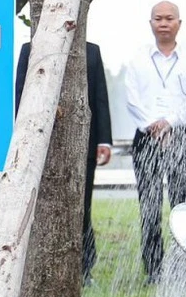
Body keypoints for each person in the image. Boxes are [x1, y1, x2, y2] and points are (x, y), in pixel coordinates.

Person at [16, 39, 114, 283]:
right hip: (42, 143)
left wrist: (104, 140)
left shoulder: (92, 50)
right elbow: (20, 95)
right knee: (44, 205)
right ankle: (43, 262)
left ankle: (84, 267)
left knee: (82, 207)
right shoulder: (31, 49)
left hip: (84, 142)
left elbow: (100, 96)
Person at [124, 2, 186, 284]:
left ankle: (183, 268)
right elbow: (132, 99)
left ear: (179, 23)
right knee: (150, 206)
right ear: (151, 23)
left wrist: (169, 122)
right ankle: (153, 269)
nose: (163, 23)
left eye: (169, 19)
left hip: (181, 136)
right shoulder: (138, 59)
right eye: (158, 19)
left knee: (182, 204)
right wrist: (152, 125)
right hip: (146, 137)